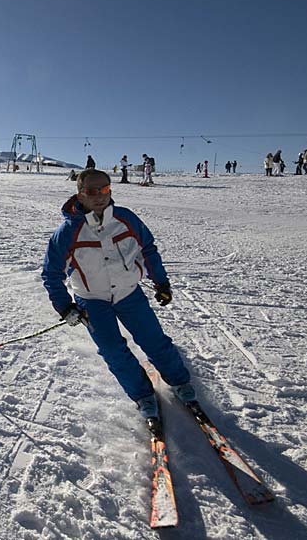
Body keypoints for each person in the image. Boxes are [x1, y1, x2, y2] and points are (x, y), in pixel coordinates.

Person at [41, 169, 195, 423]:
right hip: (92, 300)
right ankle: (142, 395)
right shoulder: (68, 232)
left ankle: (179, 382)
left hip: (128, 294)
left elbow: (148, 249)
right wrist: (65, 307)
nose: (100, 196)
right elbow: (51, 272)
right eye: (92, 191)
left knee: (154, 340)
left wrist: (161, 283)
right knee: (113, 350)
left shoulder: (126, 219)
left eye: (105, 189)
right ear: (79, 194)